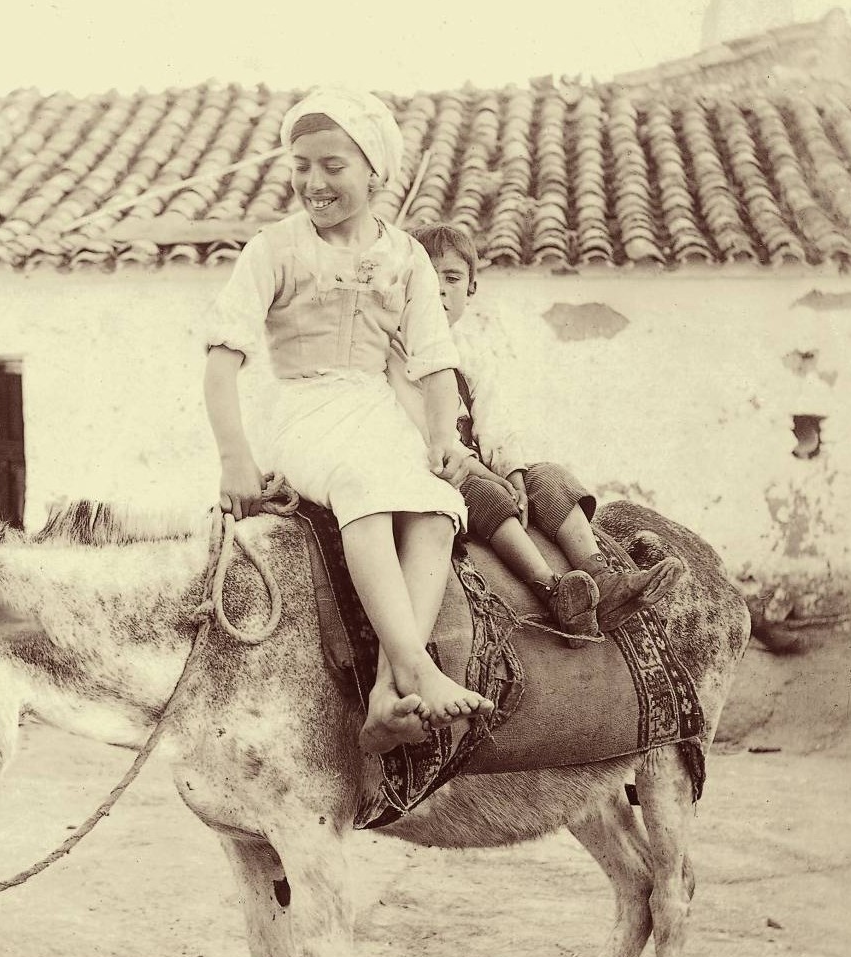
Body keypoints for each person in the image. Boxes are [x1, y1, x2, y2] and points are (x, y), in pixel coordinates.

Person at [203, 88, 492, 754]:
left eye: (332, 164)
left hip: (375, 409)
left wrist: (442, 438)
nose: (312, 180)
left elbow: (434, 362)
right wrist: (233, 457)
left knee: (436, 502)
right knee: (361, 483)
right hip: (300, 407)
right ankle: (416, 665)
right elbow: (221, 362)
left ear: (372, 170)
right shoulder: (273, 249)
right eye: (300, 164)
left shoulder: (406, 258)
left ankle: (390, 694)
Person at [403, 222, 684, 637]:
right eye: (426, 278)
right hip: (440, 469)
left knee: (548, 477)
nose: (440, 290)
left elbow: (495, 417)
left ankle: (600, 576)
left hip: (485, 464)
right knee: (484, 494)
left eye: (452, 278)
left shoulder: (474, 352)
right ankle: (551, 590)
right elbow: (424, 431)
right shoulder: (400, 353)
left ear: (471, 289)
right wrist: (491, 477)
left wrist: (513, 470)